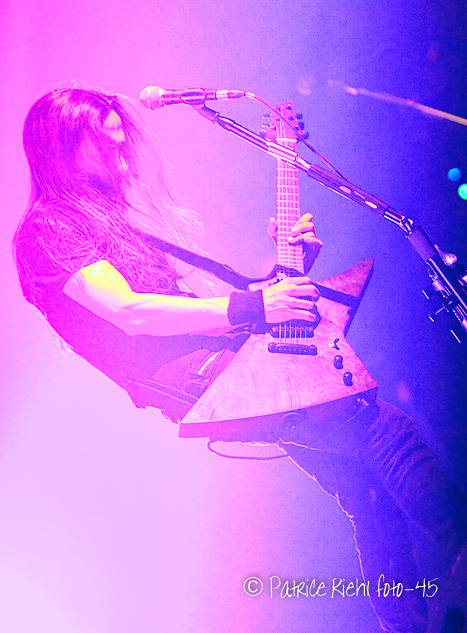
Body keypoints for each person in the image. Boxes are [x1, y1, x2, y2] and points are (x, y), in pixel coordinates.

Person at [14, 87, 467, 633]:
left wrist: (283, 274)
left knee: (367, 493)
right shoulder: (51, 228)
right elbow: (130, 312)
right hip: (205, 383)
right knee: (384, 432)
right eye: (104, 140)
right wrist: (257, 303)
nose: (122, 148)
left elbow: (207, 312)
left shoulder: (112, 223)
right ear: (63, 147)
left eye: (120, 135)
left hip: (226, 368)